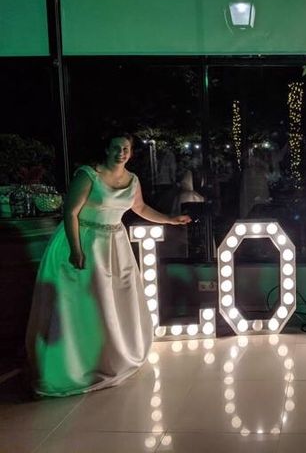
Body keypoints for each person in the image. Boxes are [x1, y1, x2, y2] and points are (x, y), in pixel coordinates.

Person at [25, 132, 191, 396]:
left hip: (116, 243)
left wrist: (170, 220)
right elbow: (70, 212)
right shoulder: (88, 175)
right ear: (107, 149)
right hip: (85, 241)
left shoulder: (133, 180)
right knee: (85, 304)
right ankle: (77, 366)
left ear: (131, 152)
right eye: (116, 148)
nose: (121, 153)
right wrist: (76, 249)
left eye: (125, 148)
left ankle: (113, 357)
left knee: (115, 301)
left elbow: (141, 209)